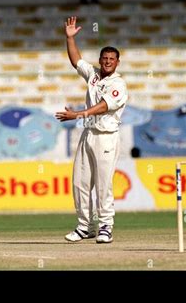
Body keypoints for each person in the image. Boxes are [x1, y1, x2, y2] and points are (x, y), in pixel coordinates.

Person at [56, 17, 128, 244]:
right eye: (104, 58)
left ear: (117, 62)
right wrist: (70, 38)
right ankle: (84, 226)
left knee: (104, 183)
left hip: (106, 138)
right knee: (80, 182)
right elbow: (76, 60)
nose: (107, 62)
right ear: (100, 60)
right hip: (88, 135)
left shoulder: (118, 84)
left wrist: (77, 115)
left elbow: (104, 106)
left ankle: (106, 225)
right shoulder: (94, 75)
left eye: (111, 59)